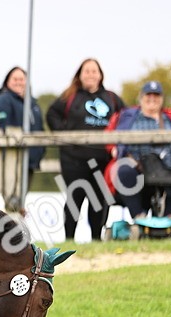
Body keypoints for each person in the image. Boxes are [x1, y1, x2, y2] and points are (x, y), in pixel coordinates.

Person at [46, 58, 124, 240]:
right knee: (75, 199)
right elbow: (51, 114)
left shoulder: (111, 98)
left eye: (94, 71)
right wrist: (64, 135)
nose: (90, 74)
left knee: (99, 201)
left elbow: (126, 118)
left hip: (103, 160)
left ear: (100, 75)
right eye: (86, 71)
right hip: (74, 159)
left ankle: (97, 239)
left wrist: (117, 146)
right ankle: (69, 239)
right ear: (80, 75)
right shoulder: (70, 97)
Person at [104, 81, 171, 219]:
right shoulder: (128, 116)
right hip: (137, 165)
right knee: (123, 170)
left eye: (156, 95)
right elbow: (109, 136)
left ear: (161, 99)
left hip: (167, 166)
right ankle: (138, 216)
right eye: (149, 95)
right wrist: (114, 149)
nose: (152, 99)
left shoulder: (170, 118)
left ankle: (168, 217)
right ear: (141, 97)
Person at [0, 66, 44, 200]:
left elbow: (40, 129)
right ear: (7, 81)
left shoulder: (33, 104)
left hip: (30, 162)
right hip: (11, 161)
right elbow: (1, 126)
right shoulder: (4, 100)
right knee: (11, 200)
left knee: (20, 200)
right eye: (15, 79)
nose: (19, 82)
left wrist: (40, 152)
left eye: (22, 79)